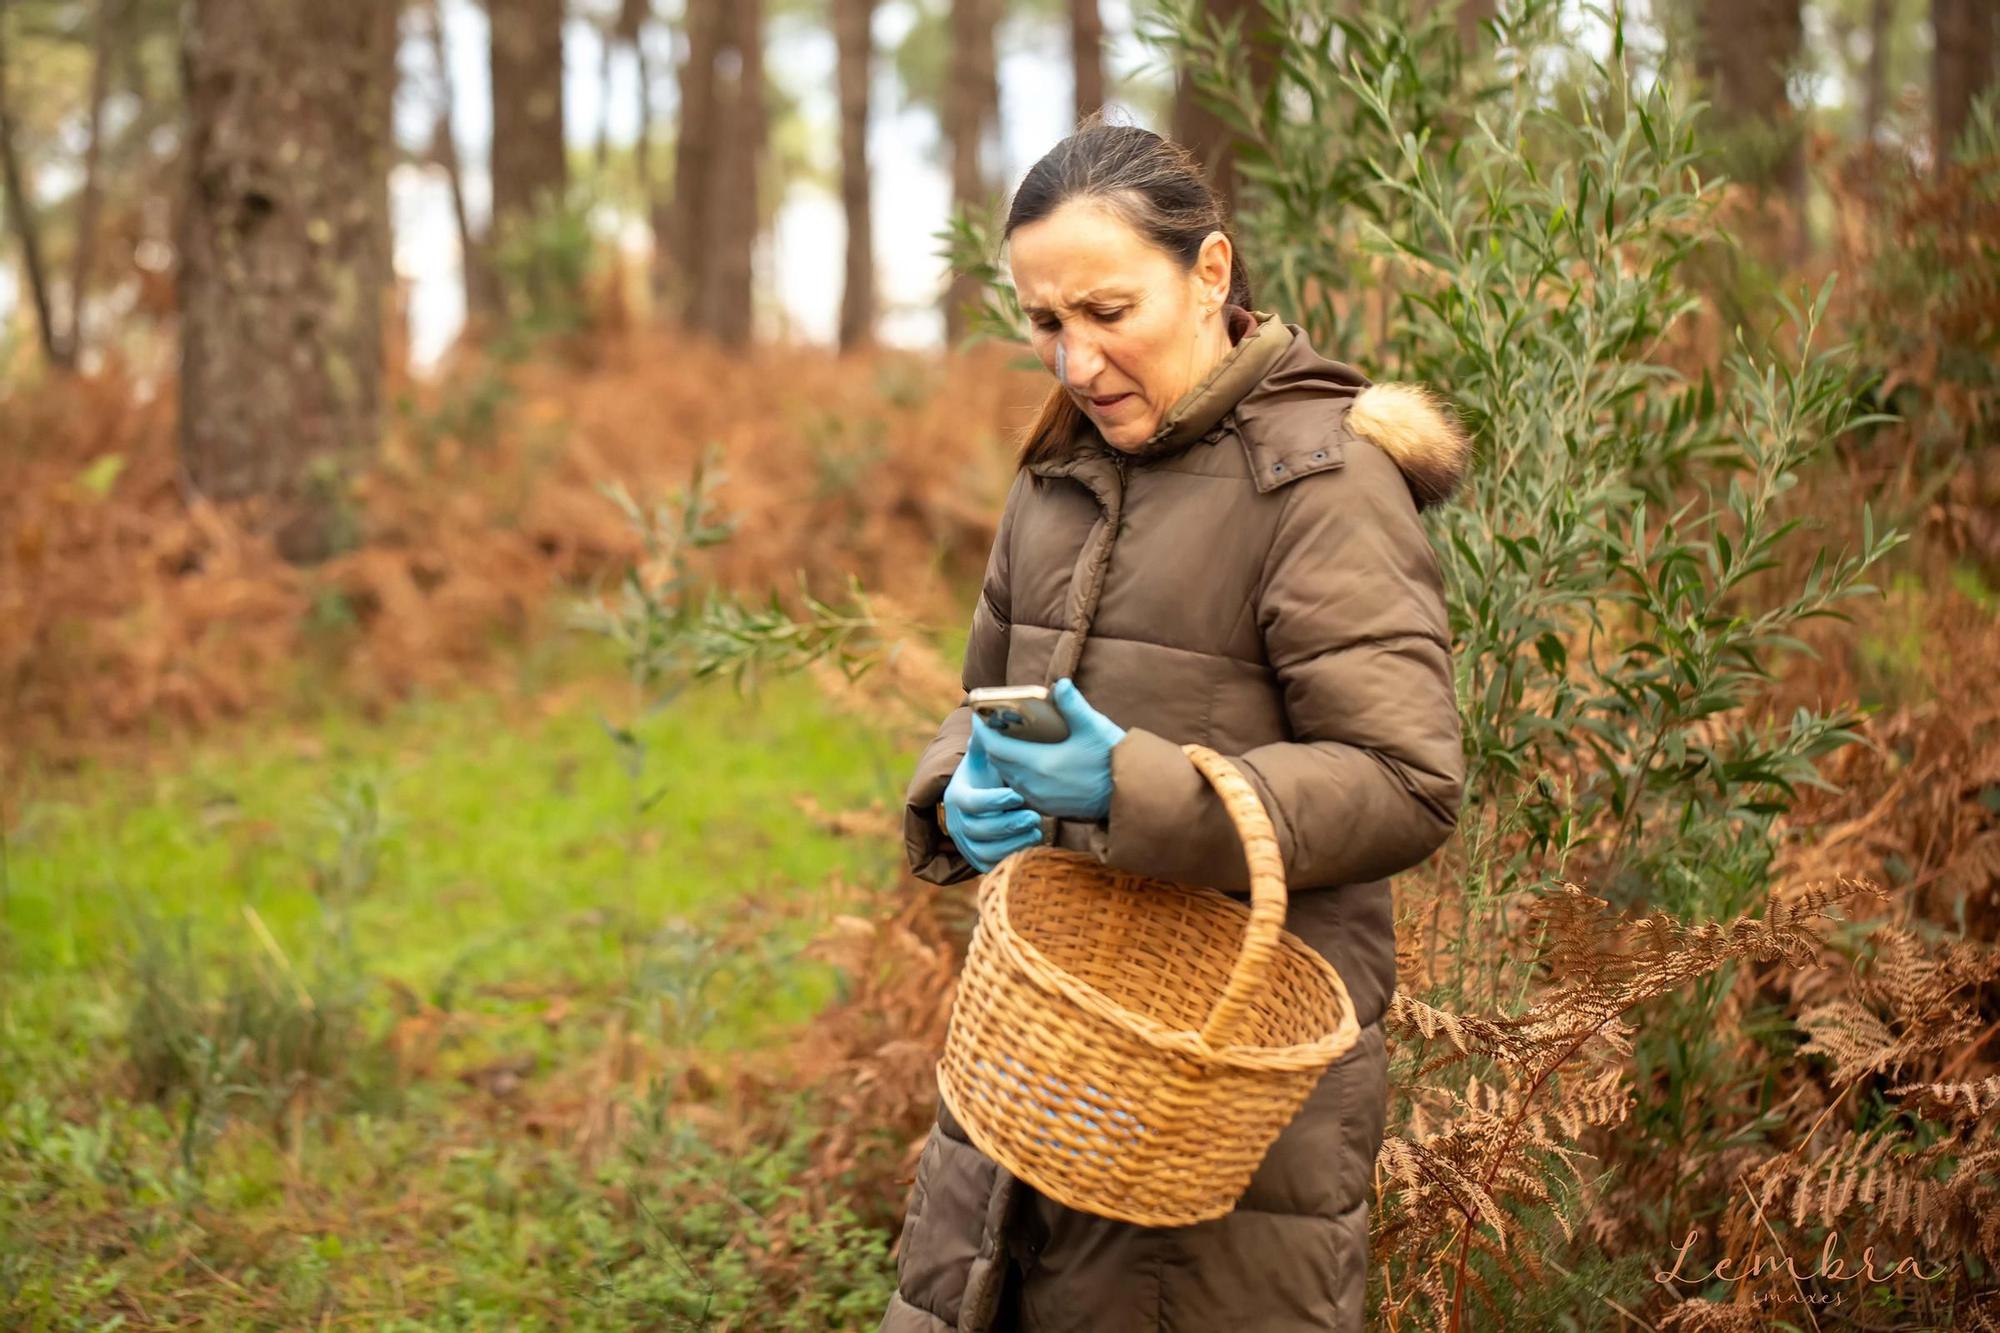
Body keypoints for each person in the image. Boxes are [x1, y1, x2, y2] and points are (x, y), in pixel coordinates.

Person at [879, 119, 1472, 1333]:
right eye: (1046, 324)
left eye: (1107, 310)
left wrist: (1134, 787)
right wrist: (960, 786)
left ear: (1209, 272)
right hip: (1033, 1076)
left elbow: (1408, 780)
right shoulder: (1054, 477)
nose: (1075, 363)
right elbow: (979, 693)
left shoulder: (1320, 484)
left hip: (1225, 1118)